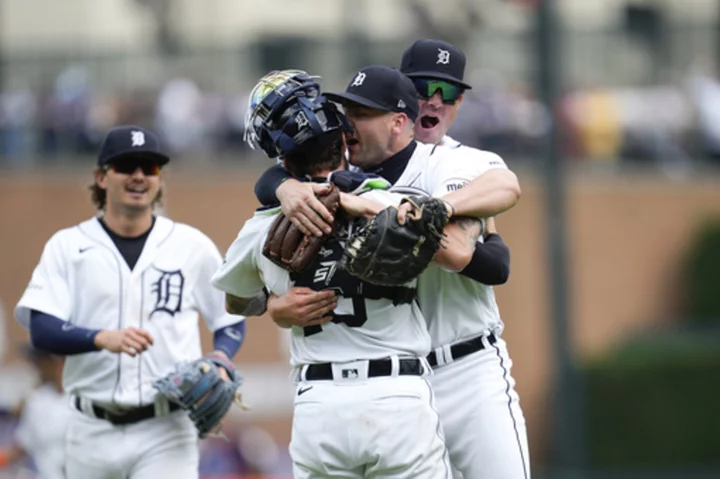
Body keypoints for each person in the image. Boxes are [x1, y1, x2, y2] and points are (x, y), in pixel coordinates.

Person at [255, 60, 529, 479]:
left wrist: (435, 211)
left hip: (466, 369)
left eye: (361, 114)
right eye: (347, 113)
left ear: (399, 122)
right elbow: (274, 177)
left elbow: (506, 188)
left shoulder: (449, 162)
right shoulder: (340, 176)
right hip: (395, 381)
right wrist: (284, 188)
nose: (348, 124)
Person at [14, 125, 246, 479]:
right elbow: (42, 329)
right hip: (90, 428)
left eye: (149, 168)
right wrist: (100, 338)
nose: (139, 176)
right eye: (126, 166)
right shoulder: (68, 246)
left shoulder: (191, 245)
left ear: (159, 179)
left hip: (166, 429)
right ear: (101, 177)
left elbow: (230, 316)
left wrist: (222, 354)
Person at [0, 346, 69, 479]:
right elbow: (24, 443)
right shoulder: (36, 400)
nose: (36, 366)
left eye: (40, 361)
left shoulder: (83, 401)